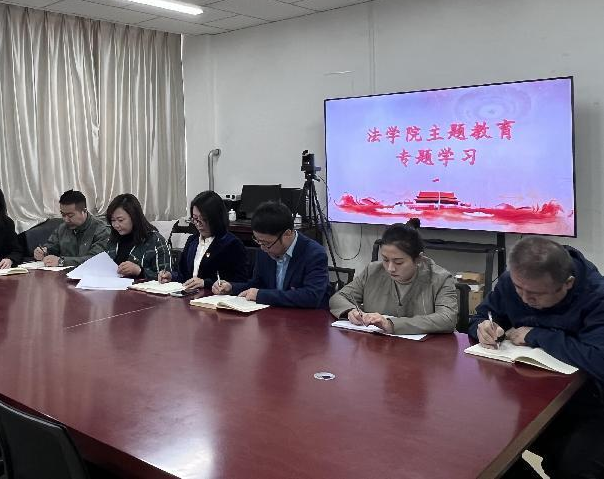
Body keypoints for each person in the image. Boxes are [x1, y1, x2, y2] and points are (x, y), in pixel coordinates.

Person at [469, 236, 604, 479]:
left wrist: (536, 335)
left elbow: (598, 359)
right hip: (527, 395)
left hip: (587, 403)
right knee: (486, 450)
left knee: (576, 468)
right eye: (519, 289)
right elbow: (482, 316)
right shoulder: (515, 280)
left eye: (535, 295)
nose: (524, 299)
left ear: (568, 283)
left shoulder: (596, 295)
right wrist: (483, 327)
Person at [329, 219, 458, 334]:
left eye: (398, 262)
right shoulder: (373, 271)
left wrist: (391, 324)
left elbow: (447, 319)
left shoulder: (440, 279)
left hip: (425, 349)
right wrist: (351, 311)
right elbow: (340, 297)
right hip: (378, 347)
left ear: (418, 259)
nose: (390, 268)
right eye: (385, 259)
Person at [212, 201, 328, 308]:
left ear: (287, 234)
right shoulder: (264, 249)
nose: (262, 248)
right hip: (271, 316)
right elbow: (257, 284)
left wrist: (261, 295)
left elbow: (311, 296)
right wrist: (231, 288)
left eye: (266, 243)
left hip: (305, 319)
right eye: (258, 241)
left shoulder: (314, 253)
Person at [159, 190, 247, 290]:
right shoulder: (192, 241)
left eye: (203, 219)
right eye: (195, 219)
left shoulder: (231, 244)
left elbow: (240, 282)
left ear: (215, 218)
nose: (198, 224)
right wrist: (171, 276)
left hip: (213, 296)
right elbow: (183, 275)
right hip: (189, 294)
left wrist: (205, 283)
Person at [33, 189, 110, 267]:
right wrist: (43, 252)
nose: (66, 220)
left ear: (84, 211)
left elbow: (95, 260)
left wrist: (62, 262)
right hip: (62, 273)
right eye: (63, 215)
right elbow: (51, 248)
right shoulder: (62, 228)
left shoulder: (102, 230)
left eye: (70, 215)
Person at [105, 193, 173, 281]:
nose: (116, 225)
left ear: (134, 217)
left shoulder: (155, 240)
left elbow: (166, 278)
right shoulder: (113, 240)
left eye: (120, 220)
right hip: (112, 287)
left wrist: (139, 271)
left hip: (141, 289)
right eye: (113, 220)